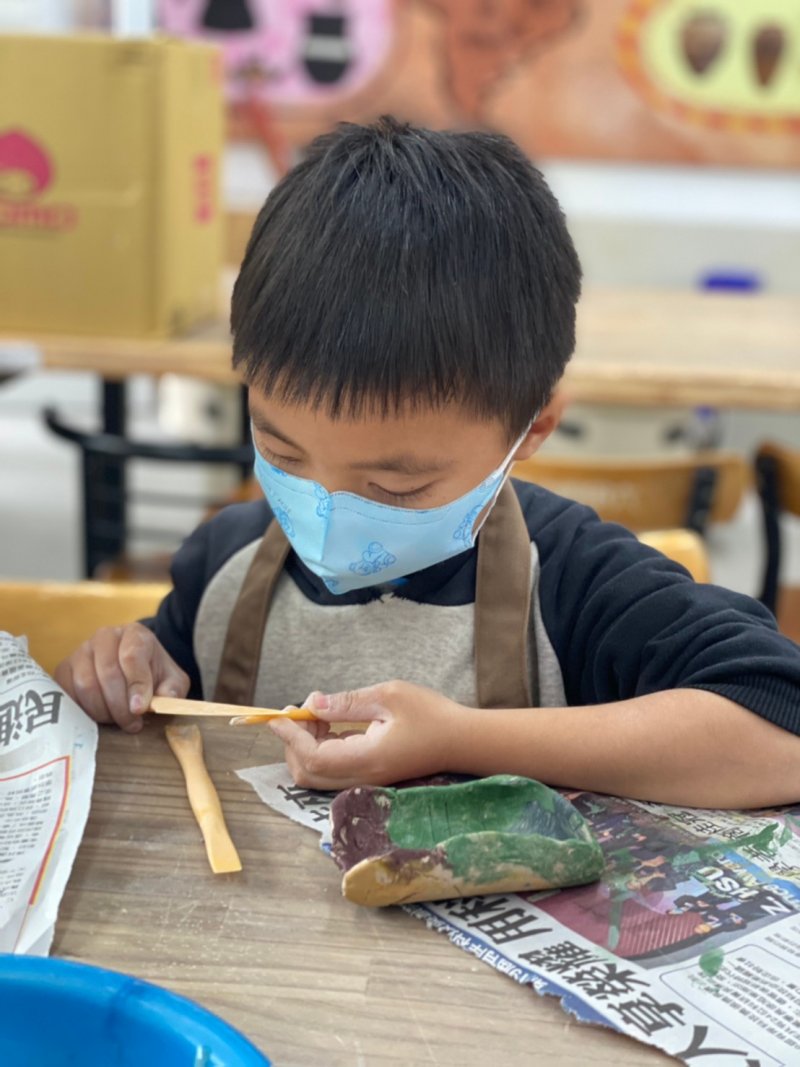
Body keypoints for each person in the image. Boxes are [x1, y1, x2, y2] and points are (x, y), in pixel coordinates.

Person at [55, 117, 800, 808]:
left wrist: (459, 739)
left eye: (395, 486)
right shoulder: (224, 566)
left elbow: (780, 729)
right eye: (282, 452)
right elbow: (154, 683)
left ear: (534, 426)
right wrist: (124, 666)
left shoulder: (572, 582)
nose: (326, 514)